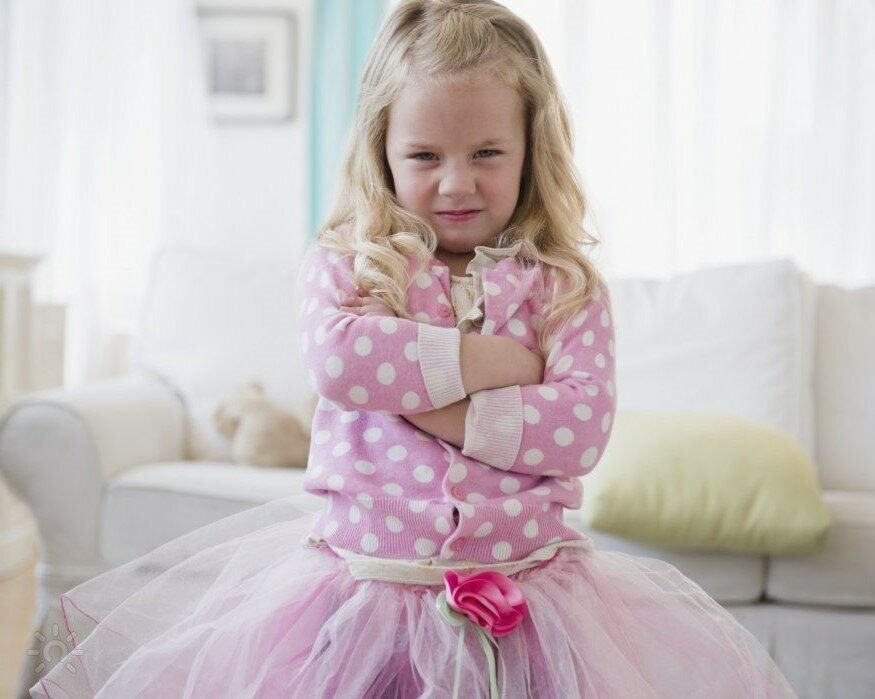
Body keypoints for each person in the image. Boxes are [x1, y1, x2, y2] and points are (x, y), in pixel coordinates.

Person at [31, 1, 798, 697]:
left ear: (531, 149)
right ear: (383, 152)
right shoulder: (351, 263)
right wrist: (494, 364)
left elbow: (579, 427)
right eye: (425, 156)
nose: (456, 182)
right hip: (366, 593)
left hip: (528, 598)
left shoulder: (563, 285)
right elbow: (342, 362)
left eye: (487, 153)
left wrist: (432, 406)